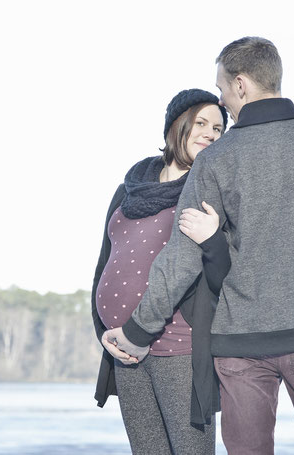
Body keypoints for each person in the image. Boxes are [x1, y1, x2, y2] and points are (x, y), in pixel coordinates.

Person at [105, 37, 294, 455]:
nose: (223, 103)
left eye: (221, 91)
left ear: (240, 84)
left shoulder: (217, 158)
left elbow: (180, 258)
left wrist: (139, 330)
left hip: (239, 347)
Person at [91, 88, 229, 455]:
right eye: (201, 123)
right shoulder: (130, 187)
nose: (211, 134)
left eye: (218, 128)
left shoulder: (208, 191)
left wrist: (214, 238)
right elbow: (106, 262)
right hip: (125, 349)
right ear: (175, 125)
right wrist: (105, 332)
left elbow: (224, 273)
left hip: (179, 347)